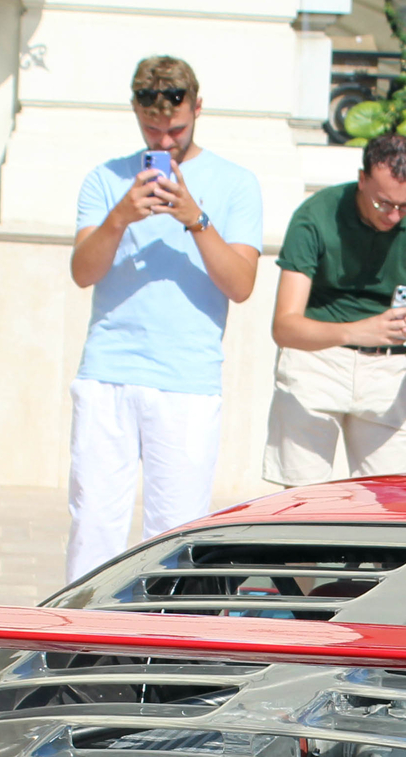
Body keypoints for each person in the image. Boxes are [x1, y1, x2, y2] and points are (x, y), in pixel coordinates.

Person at [64, 57, 263, 581]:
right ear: (136, 113)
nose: (165, 140)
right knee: (93, 527)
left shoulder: (236, 183)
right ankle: (81, 631)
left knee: (174, 536)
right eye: (153, 130)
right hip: (107, 373)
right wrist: (119, 218)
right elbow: (82, 273)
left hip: (187, 381)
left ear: (198, 109)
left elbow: (241, 285)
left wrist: (196, 219)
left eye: (176, 129)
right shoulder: (105, 179)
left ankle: (162, 633)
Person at [265, 134, 406, 484]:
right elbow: (284, 326)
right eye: (383, 203)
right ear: (362, 179)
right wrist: (358, 331)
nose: (395, 215)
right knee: (303, 503)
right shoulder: (316, 215)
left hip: (388, 368)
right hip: (315, 361)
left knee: (389, 499)